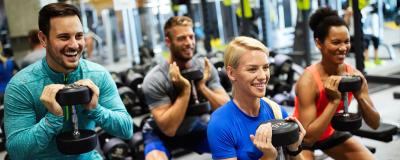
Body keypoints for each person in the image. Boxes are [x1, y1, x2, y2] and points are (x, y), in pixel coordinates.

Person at [4, 3, 133, 159]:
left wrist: (95, 109)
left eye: (79, 36)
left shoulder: (98, 75)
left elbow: (126, 130)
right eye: (64, 37)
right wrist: (52, 119)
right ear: (43, 39)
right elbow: (16, 151)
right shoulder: (22, 85)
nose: (74, 45)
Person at [293, 7, 380, 160]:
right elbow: (308, 138)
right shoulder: (308, 81)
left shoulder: (354, 75)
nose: (343, 48)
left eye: (346, 41)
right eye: (336, 42)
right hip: (302, 137)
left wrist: (360, 96)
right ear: (319, 43)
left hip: (330, 134)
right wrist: (334, 101)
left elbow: (374, 124)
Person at [141, 16, 230, 160]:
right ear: (168, 42)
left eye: (191, 37)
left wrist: (202, 87)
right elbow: (169, 129)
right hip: (162, 133)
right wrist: (185, 91)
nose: (189, 43)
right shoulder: (155, 79)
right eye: (182, 38)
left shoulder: (205, 68)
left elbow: (226, 110)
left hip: (196, 127)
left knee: (239, 145)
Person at [207, 36, 306, 160]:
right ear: (232, 73)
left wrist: (294, 149)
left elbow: (294, 155)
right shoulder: (220, 124)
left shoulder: (277, 111)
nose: (263, 76)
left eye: (265, 67)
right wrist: (268, 157)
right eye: (252, 69)